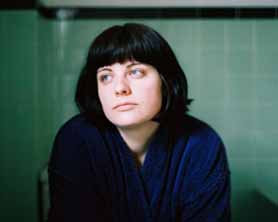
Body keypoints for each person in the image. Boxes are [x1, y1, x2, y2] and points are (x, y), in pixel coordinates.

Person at [47, 23, 231, 222]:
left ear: (165, 79)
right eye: (106, 76)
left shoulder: (203, 144)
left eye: (135, 72)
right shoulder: (76, 140)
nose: (120, 88)